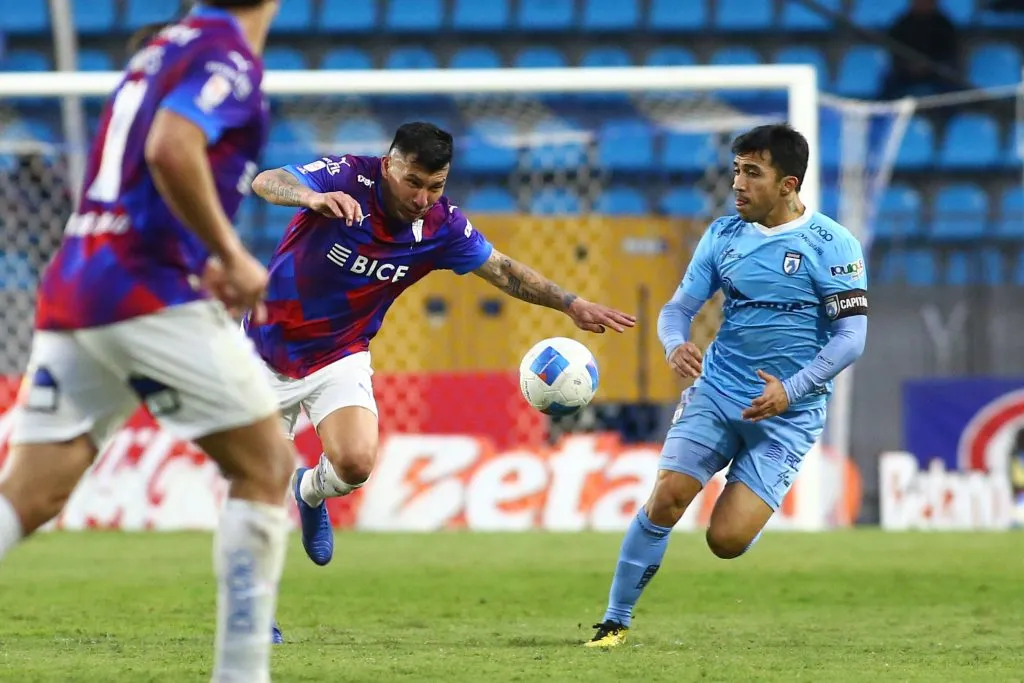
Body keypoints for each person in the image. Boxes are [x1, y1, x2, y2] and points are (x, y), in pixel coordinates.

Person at [0, 3, 295, 681]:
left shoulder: (159, 48)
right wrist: (229, 251)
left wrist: (200, 249)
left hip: (77, 278)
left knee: (33, 490)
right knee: (266, 464)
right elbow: (170, 146)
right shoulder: (227, 57)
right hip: (146, 289)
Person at [245, 120, 636, 569]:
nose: (421, 199)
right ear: (389, 165)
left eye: (435, 186)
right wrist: (309, 197)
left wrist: (571, 304)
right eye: (413, 182)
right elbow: (267, 180)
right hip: (264, 352)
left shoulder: (441, 227)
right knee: (257, 493)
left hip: (339, 354)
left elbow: (503, 270)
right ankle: (255, 621)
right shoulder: (348, 176)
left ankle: (310, 490)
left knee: (355, 464)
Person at [585, 124, 869, 647]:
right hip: (717, 392)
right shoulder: (723, 235)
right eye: (736, 170)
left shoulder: (832, 244)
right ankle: (614, 621)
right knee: (667, 499)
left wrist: (792, 388)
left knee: (727, 540)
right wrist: (674, 342)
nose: (738, 183)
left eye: (752, 173)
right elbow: (678, 309)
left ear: (787, 185)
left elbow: (852, 338)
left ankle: (746, 515)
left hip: (788, 414)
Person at [879, 0, 960, 99]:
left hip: (935, 74)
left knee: (950, 86)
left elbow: (949, 54)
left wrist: (928, 66)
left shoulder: (945, 26)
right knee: (888, 83)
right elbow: (893, 52)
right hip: (904, 74)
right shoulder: (901, 25)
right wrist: (909, 67)